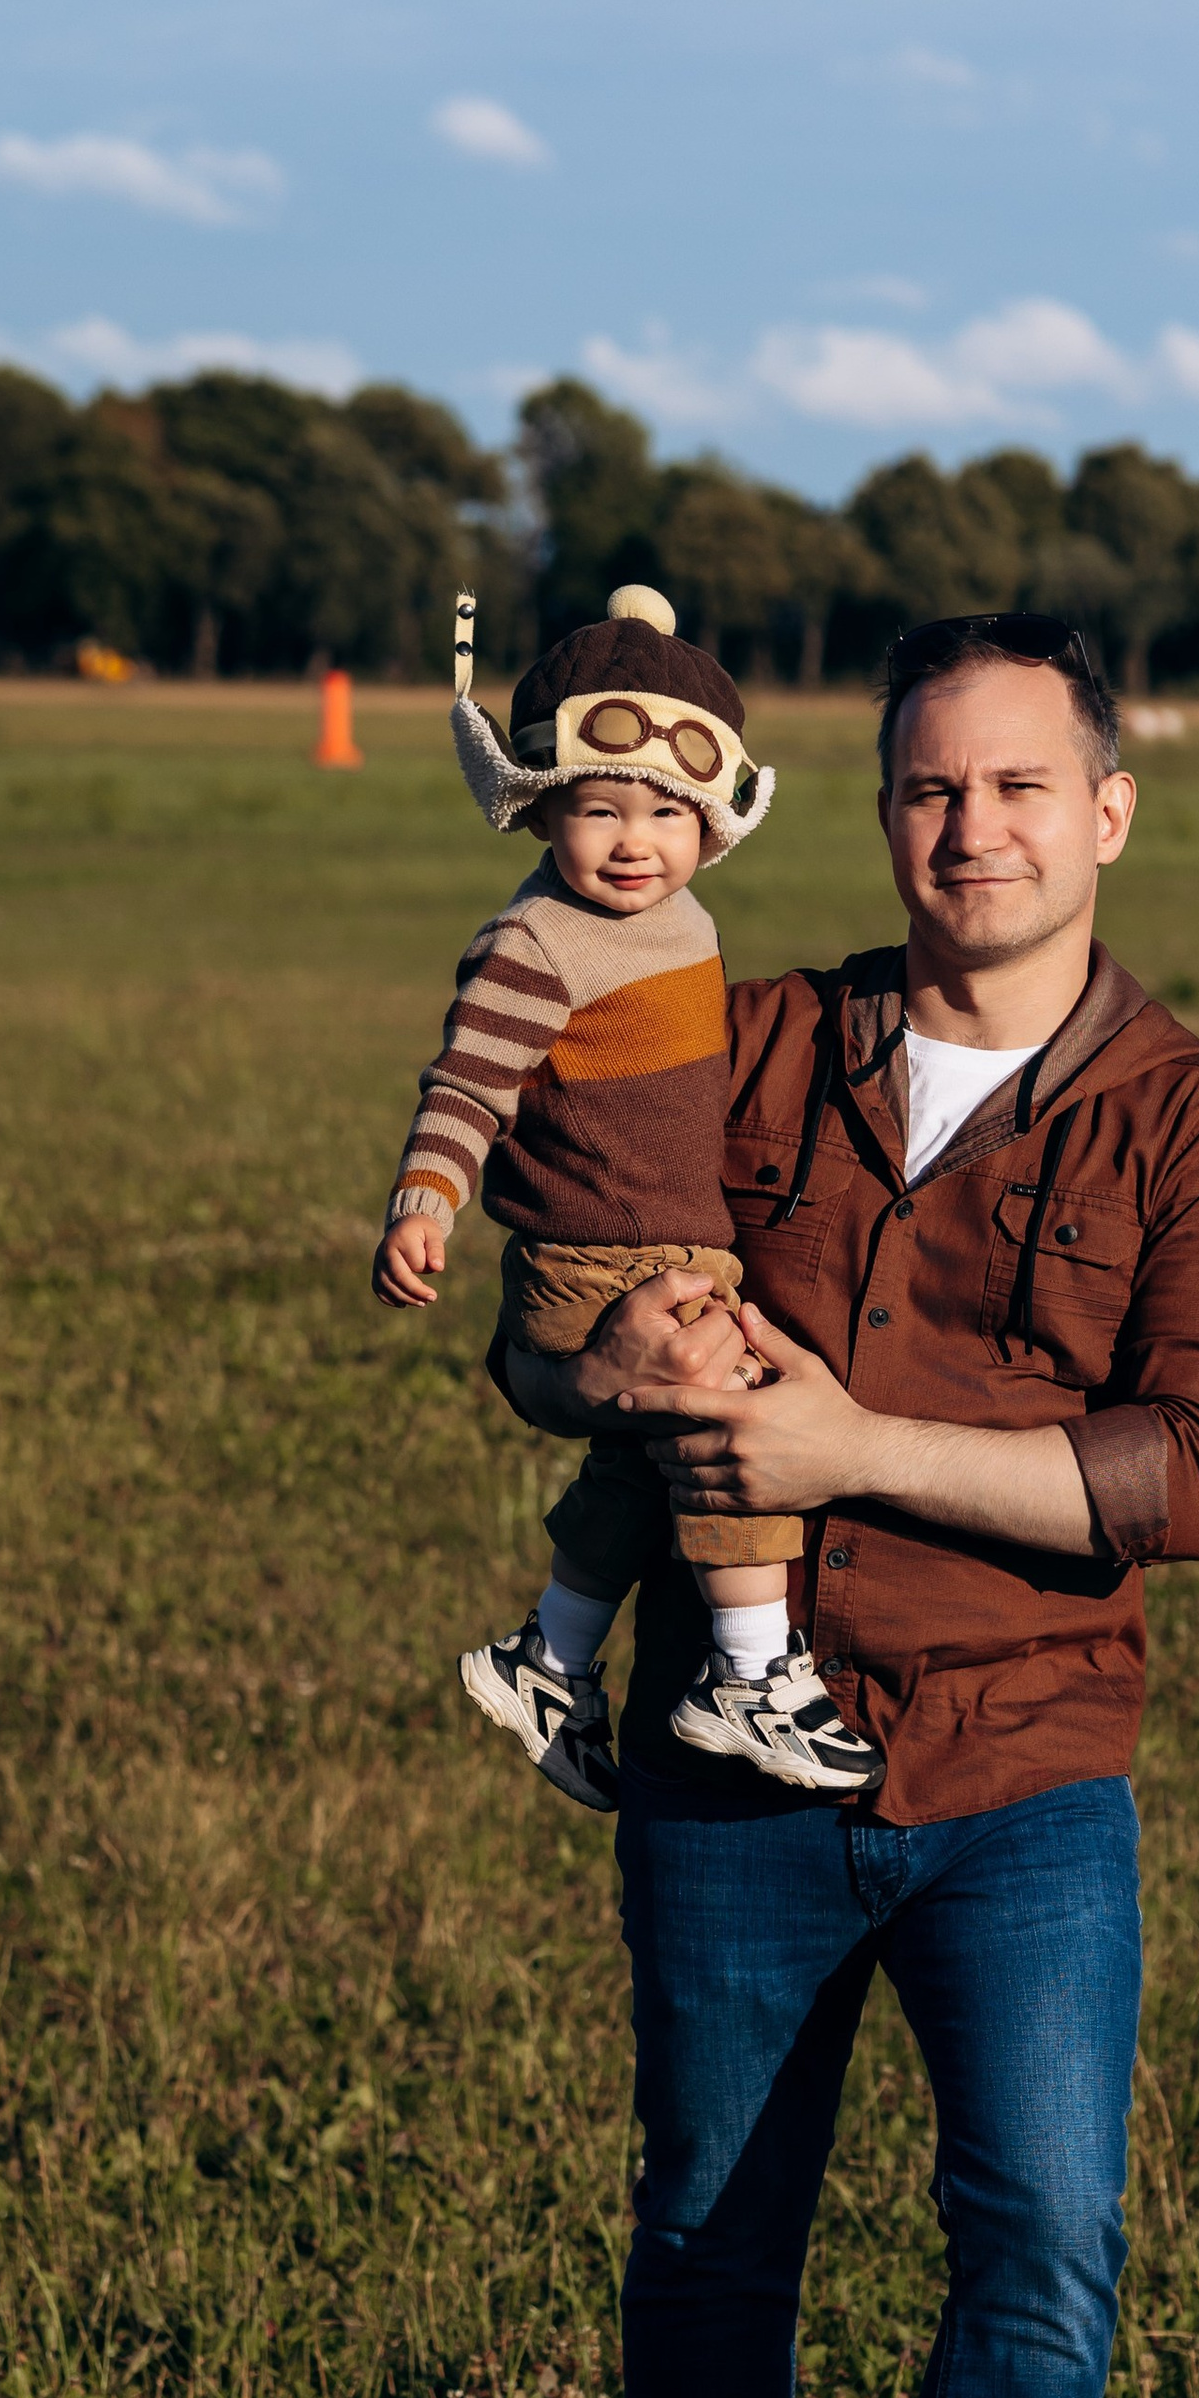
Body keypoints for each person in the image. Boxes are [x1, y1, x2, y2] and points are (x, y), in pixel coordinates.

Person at [503, 610, 1199, 2398]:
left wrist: (861, 1440)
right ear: (877, 813)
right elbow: (535, 1328)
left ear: (1108, 812)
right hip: (728, 1759)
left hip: (1018, 1775)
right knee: (705, 2232)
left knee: (1040, 2246)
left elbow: (1193, 1476)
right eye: (926, 790)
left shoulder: (1190, 1125)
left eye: (1017, 787)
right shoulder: (742, 1039)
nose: (968, 830)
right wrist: (607, 1371)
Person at [371, 584, 881, 1802]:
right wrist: (426, 1199)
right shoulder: (535, 944)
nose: (632, 840)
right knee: (731, 1422)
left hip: (663, 1249)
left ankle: (549, 1655)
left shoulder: (681, 920)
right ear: (544, 811)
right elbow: (464, 1085)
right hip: (595, 1256)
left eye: (666, 811)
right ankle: (751, 1674)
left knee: (636, 1470)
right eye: (598, 809)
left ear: (711, 827)